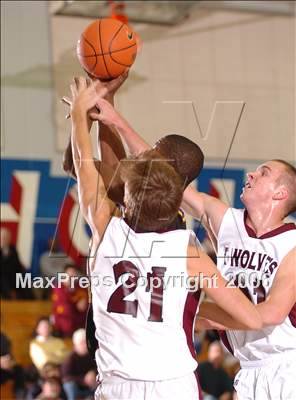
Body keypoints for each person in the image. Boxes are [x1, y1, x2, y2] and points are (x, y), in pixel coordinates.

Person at [66, 76, 263, 400]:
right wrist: (199, 317)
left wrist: (78, 116)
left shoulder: (105, 227)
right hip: (173, 384)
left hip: (117, 386)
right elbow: (252, 319)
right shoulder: (189, 254)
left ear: (127, 198)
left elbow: (84, 167)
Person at [52, 264, 88, 337]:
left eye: (73, 274)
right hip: (64, 327)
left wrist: (85, 301)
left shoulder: (80, 287)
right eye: (69, 275)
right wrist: (76, 304)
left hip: (80, 325)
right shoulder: (59, 288)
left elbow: (85, 304)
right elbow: (66, 309)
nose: (71, 277)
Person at [61, 329, 97, 400]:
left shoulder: (92, 355)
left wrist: (93, 373)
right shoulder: (70, 358)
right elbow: (66, 377)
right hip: (77, 387)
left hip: (92, 385)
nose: (85, 345)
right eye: (82, 343)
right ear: (76, 344)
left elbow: (99, 368)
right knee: (69, 385)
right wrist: (84, 380)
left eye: (85, 342)